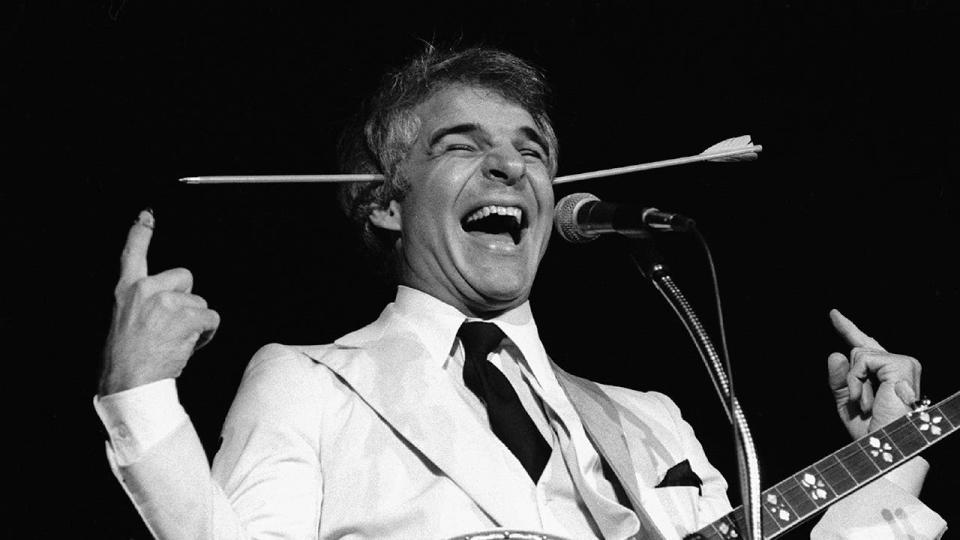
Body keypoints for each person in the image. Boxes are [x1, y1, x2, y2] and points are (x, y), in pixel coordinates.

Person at [95, 46, 946, 539]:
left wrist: (892, 454)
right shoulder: (307, 381)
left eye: (532, 150)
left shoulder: (650, 420)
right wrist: (141, 395)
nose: (510, 166)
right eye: (462, 147)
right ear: (386, 203)